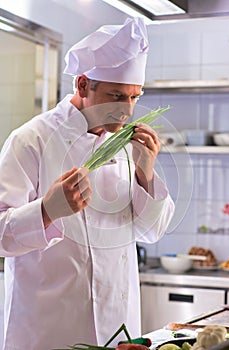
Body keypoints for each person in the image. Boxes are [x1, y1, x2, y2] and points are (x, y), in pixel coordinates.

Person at [0, 17, 174, 349]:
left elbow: (152, 232)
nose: (126, 111)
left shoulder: (127, 146)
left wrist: (145, 173)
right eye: (116, 96)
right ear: (82, 86)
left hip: (118, 328)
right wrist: (47, 211)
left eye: (135, 97)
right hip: (49, 331)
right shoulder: (30, 140)